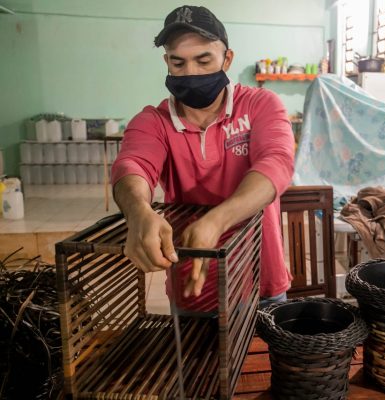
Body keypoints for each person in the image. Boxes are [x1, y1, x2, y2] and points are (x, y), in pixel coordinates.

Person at [111, 5, 295, 313]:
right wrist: (138, 210)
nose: (191, 73)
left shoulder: (260, 105)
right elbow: (133, 166)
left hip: (260, 280)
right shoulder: (153, 122)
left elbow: (276, 163)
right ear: (166, 62)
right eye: (178, 62)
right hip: (193, 287)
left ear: (227, 58)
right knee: (197, 360)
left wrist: (216, 220)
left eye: (203, 60)